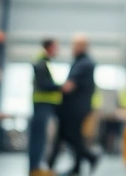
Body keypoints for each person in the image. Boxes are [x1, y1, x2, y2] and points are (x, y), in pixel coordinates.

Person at [48, 34, 99, 176]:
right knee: (68, 136)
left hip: (75, 108)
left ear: (83, 46)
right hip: (75, 108)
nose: (73, 48)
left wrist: (49, 87)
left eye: (76, 45)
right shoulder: (81, 62)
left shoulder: (84, 64)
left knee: (71, 136)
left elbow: (68, 86)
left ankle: (90, 157)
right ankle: (76, 167)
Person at [29, 38, 61, 176]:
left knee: (41, 137)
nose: (57, 50)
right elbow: (44, 84)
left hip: (45, 104)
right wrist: (61, 87)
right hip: (42, 104)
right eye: (55, 47)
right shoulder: (42, 63)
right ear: (49, 47)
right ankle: (35, 169)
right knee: (39, 137)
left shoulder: (46, 62)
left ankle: (36, 167)